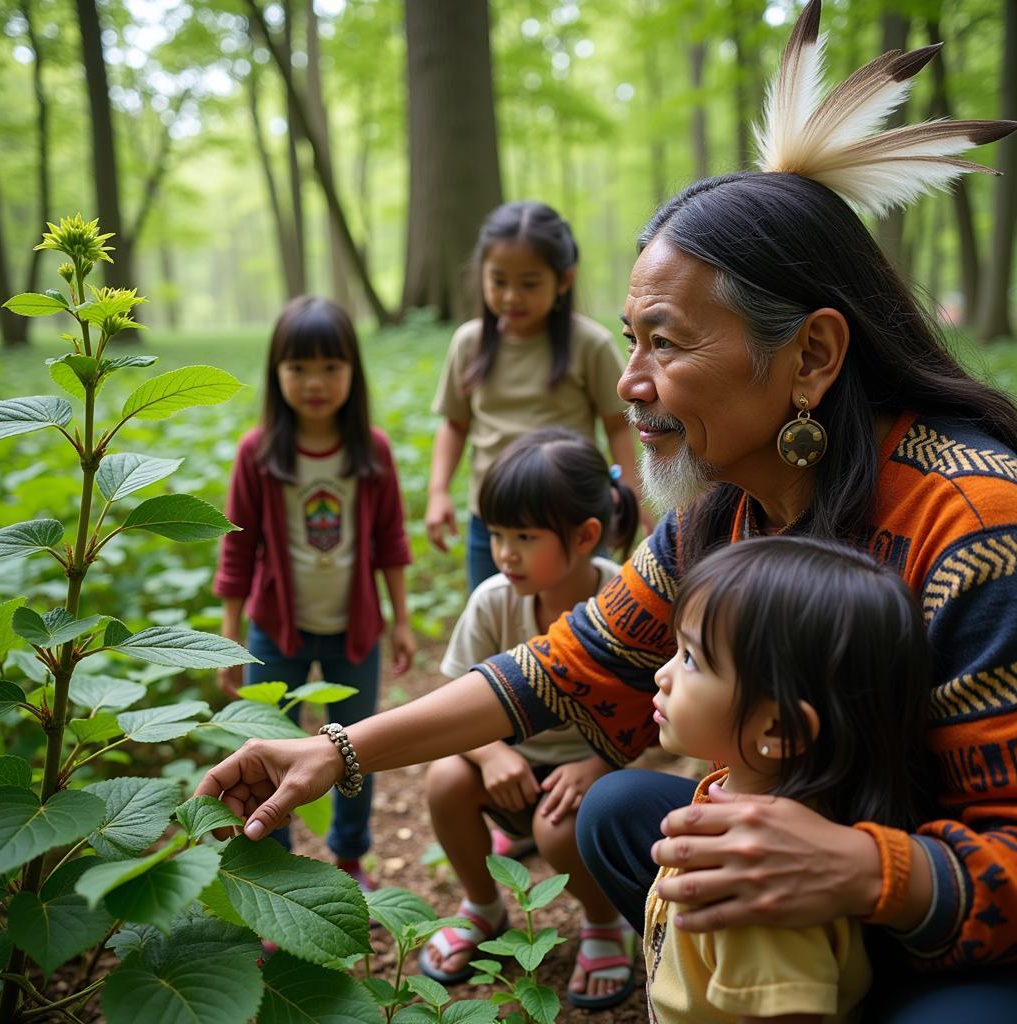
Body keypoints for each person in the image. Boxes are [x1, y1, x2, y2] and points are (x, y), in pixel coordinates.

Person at [195, 3, 1017, 1018]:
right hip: (816, 909)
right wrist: (335, 749)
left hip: (948, 936)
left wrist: (865, 870)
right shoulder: (719, 514)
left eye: (665, 343)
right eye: (627, 340)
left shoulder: (972, 524)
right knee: (622, 810)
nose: (628, 383)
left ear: (810, 356)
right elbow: (563, 666)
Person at [646, 536, 932, 1022]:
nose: (663, 676)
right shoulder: (747, 822)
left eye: (691, 659)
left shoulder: (760, 895)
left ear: (775, 728)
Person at [418, 428, 639, 1010]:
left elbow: (657, 714)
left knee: (557, 827)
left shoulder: (624, 601)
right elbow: (453, 693)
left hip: (593, 778)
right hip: (508, 770)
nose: (505, 552)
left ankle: (602, 921)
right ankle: (484, 908)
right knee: (445, 778)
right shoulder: (495, 599)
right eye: (496, 534)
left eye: (523, 536)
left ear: (585, 535)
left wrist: (598, 765)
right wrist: (491, 753)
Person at [212, 295, 415, 890]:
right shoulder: (258, 454)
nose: (315, 382)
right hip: (276, 630)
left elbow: (390, 542)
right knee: (267, 749)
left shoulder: (370, 451)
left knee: (354, 752)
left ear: (353, 371)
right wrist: (229, 636)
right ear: (276, 374)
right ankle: (273, 873)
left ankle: (349, 859)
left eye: (331, 366)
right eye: (298, 367)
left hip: (354, 630)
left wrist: (401, 619)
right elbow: (237, 549)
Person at [424, 199, 644, 592]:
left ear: (563, 280)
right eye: (498, 281)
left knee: (582, 628)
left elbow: (617, 427)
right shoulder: (469, 344)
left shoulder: (587, 344)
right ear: (481, 277)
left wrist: (630, 491)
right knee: (497, 620)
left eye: (529, 283)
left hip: (570, 521)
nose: (511, 296)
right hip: (495, 524)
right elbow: (455, 426)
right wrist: (438, 491)